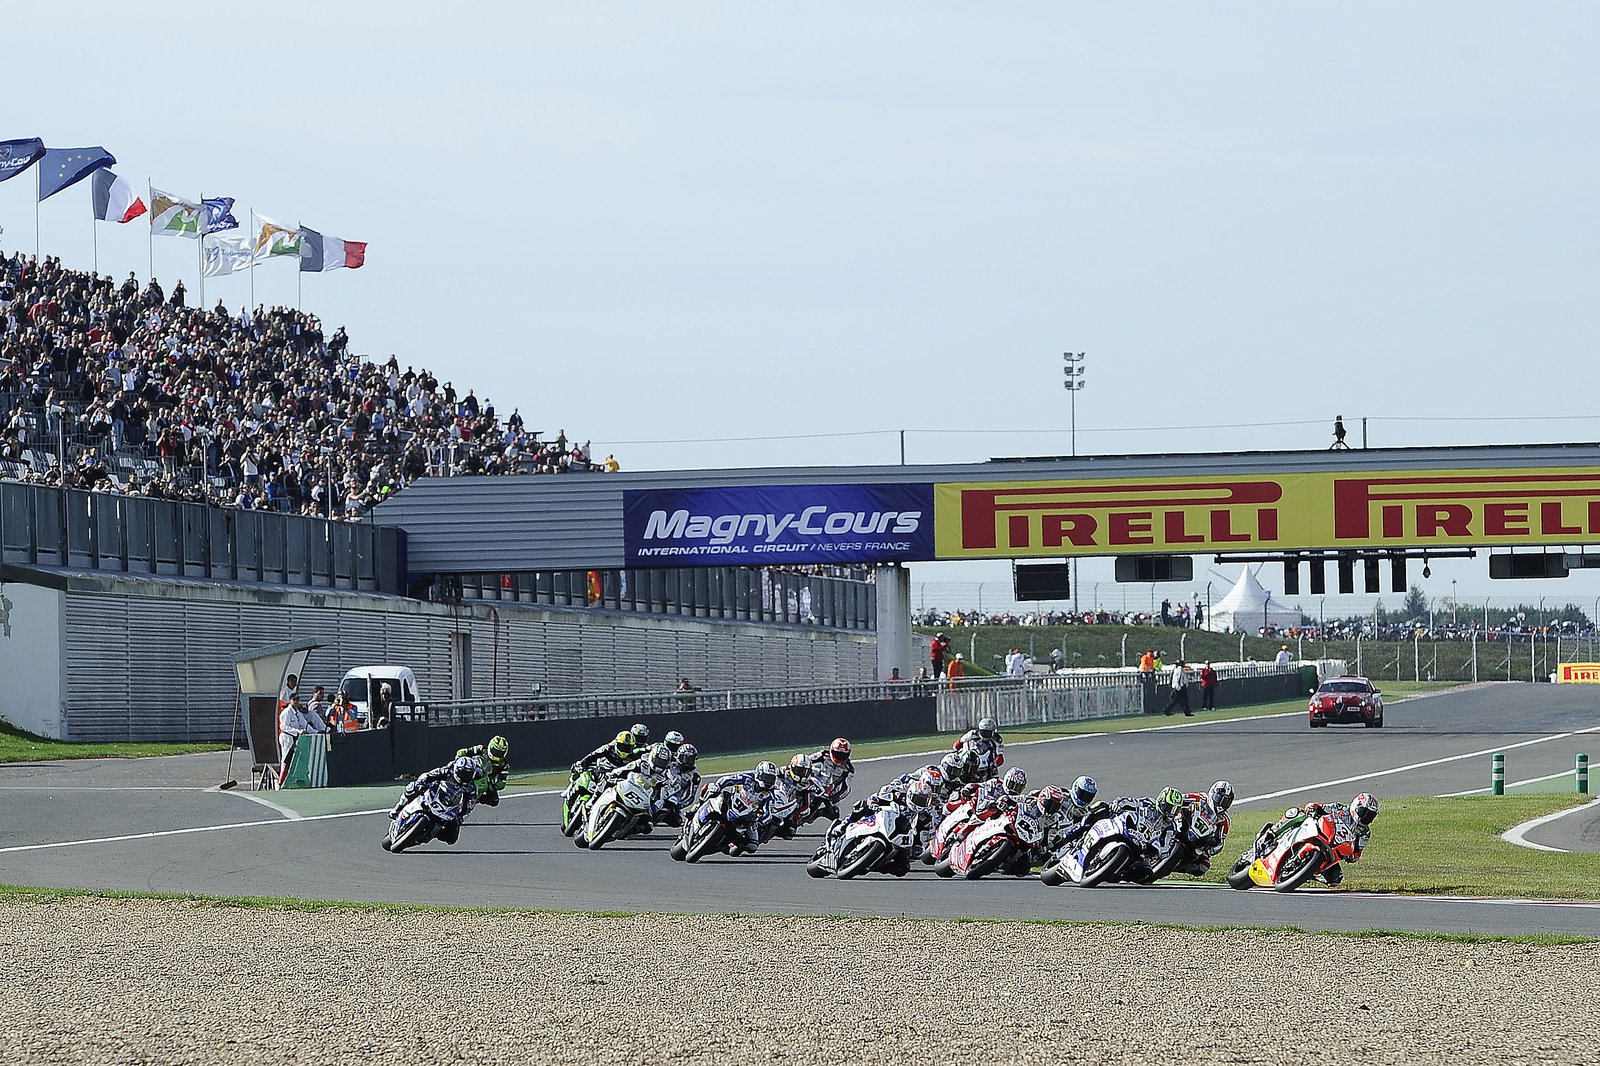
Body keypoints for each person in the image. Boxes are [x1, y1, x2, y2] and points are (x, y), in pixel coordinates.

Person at [1259, 793, 1378, 886]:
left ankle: (1307, 872)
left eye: (1370, 815)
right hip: (1318, 832)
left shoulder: (1365, 833)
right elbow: (1319, 806)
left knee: (1335, 878)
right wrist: (1313, 809)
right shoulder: (1340, 808)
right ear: (1356, 806)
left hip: (1332, 851)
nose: (1366, 817)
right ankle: (1271, 833)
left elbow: (1357, 853)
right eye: (1364, 812)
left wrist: (1351, 856)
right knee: (1297, 813)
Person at [384, 754, 485, 848]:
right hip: (434, 793)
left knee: (452, 838)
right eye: (463, 773)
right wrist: (421, 783)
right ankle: (398, 808)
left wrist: (459, 819)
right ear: (457, 769)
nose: (465, 777)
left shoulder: (471, 788)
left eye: (469, 774)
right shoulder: (447, 771)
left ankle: (433, 833)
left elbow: (468, 808)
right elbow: (428, 776)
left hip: (448, 807)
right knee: (412, 787)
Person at [572, 722, 651, 779]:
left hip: (621, 772)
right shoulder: (618, 742)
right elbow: (596, 753)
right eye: (638, 737)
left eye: (643, 738)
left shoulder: (644, 749)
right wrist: (582, 763)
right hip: (606, 767)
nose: (640, 741)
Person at [806, 737, 854, 820]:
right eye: (837, 754)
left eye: (843, 755)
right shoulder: (822, 755)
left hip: (830, 790)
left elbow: (846, 788)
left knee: (834, 813)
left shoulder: (849, 768)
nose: (840, 757)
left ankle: (817, 814)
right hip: (815, 783)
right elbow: (805, 761)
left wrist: (836, 797)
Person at [455, 735, 511, 802]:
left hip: (485, 780)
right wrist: (458, 761)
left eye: (500, 753)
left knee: (494, 800)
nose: (497, 754)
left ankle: (475, 799)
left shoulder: (503, 764)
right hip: (471, 769)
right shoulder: (481, 749)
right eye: (495, 751)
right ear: (490, 747)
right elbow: (461, 752)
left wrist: (491, 783)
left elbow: (502, 784)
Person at [276, 693, 313, 785]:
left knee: (294, 759)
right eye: (294, 700)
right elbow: (283, 726)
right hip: (286, 736)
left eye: (297, 700)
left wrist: (315, 732)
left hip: (294, 738)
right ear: (290, 700)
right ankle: (281, 781)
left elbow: (304, 724)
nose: (296, 702)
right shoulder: (286, 712)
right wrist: (297, 731)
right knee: (286, 758)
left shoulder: (297, 712)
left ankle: (289, 779)